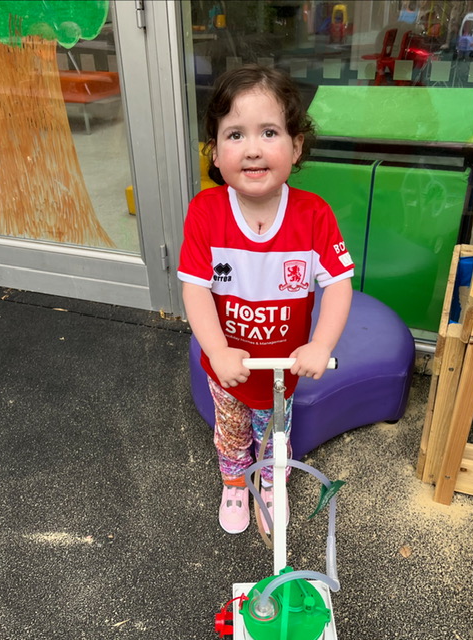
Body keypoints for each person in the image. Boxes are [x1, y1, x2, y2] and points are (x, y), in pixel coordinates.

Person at [178, 64, 354, 534]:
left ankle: (272, 482)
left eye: (269, 132)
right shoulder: (205, 212)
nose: (252, 149)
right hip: (230, 366)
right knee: (232, 432)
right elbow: (195, 286)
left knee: (276, 434)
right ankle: (236, 482)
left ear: (296, 147)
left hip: (281, 371)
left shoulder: (313, 214)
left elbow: (337, 283)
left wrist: (321, 345)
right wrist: (216, 349)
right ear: (215, 152)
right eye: (235, 134)